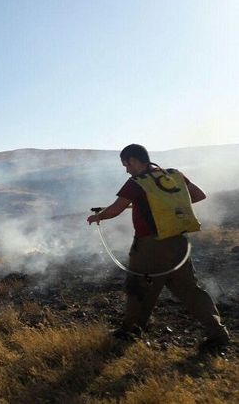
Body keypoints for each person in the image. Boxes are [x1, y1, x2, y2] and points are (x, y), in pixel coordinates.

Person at [87, 144, 230, 349]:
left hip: (149, 247)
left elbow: (116, 209)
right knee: (190, 290)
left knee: (139, 286)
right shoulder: (172, 175)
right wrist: (168, 206)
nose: (126, 169)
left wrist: (98, 217)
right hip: (178, 242)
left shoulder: (136, 183)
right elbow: (199, 195)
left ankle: (130, 331)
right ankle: (218, 334)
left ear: (134, 161)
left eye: (126, 165)